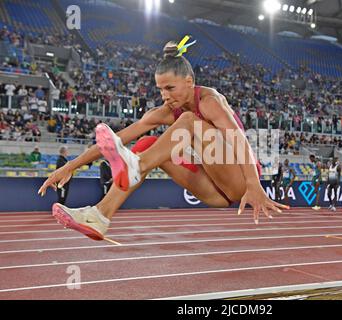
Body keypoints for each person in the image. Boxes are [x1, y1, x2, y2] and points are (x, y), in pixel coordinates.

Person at [38, 37, 288, 241]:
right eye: (159, 89)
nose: (164, 96)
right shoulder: (165, 112)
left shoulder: (210, 102)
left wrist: (255, 185)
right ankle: (100, 216)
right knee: (145, 144)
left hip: (241, 179)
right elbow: (114, 140)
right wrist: (70, 166)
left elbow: (239, 140)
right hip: (212, 190)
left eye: (170, 88)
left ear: (189, 82)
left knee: (188, 121)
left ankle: (136, 166)